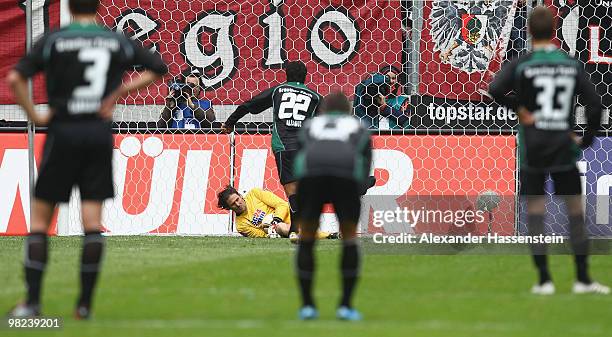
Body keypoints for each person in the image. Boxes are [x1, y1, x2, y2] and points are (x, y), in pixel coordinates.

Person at [6, 0, 168, 318]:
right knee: (92, 223)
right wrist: (118, 94)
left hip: (62, 131)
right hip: (97, 134)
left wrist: (35, 114)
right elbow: (158, 69)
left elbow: (14, 79)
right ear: (97, 5)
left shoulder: (54, 39)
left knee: (40, 222)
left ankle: (32, 303)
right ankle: (84, 306)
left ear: (67, 5)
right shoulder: (115, 39)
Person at [489, 6, 609, 296]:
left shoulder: (524, 63)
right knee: (575, 212)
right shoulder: (569, 64)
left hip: (533, 145)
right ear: (555, 31)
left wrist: (521, 110)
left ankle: (544, 280)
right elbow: (595, 106)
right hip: (562, 146)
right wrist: (587, 140)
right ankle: (583, 279)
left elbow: (494, 89)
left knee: (535, 211)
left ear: (529, 31)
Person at [293, 91, 372, 321]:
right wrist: (357, 189)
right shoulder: (358, 126)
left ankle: (307, 306)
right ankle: (345, 306)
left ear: (324, 111)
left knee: (306, 239)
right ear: (348, 111)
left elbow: (298, 157)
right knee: (349, 239)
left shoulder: (310, 125)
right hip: (344, 176)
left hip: (311, 176)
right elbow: (364, 162)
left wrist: (303, 189)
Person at [221, 61, 322, 238]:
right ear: (306, 77)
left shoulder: (278, 90)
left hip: (283, 145)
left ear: (286, 75)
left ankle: (295, 230)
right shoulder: (315, 97)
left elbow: (249, 105)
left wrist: (230, 122)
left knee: (292, 192)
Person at [216, 186, 337, 240]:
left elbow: (282, 204)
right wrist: (271, 229)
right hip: (278, 231)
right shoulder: (241, 225)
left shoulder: (255, 194)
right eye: (233, 204)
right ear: (229, 208)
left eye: (237, 199)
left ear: (240, 195)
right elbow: (262, 236)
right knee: (282, 228)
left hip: (294, 215)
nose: (237, 204)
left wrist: (276, 219)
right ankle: (328, 235)